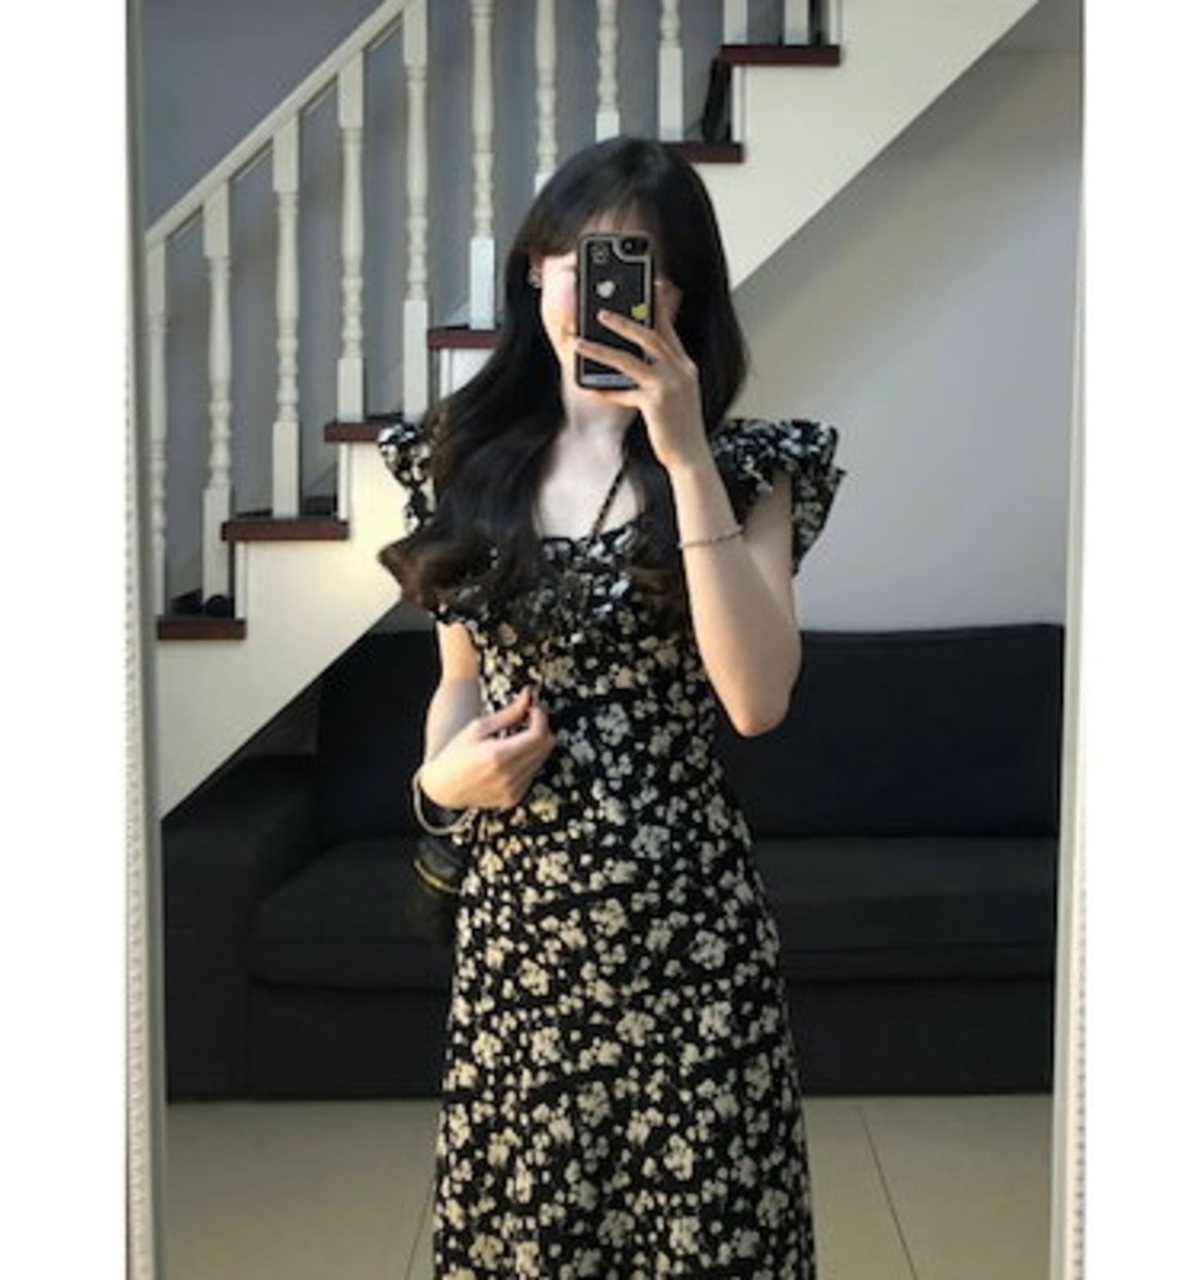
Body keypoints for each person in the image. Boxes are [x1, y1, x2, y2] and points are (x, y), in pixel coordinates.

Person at [377, 135, 843, 1279]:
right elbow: (458, 676)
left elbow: (755, 699)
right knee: (529, 1243)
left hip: (692, 936)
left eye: (640, 268)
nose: (601, 293)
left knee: (711, 1240)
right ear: (533, 271)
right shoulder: (459, 459)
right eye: (578, 261)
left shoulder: (749, 468)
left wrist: (684, 459)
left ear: (682, 298)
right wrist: (439, 781)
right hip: (520, 939)